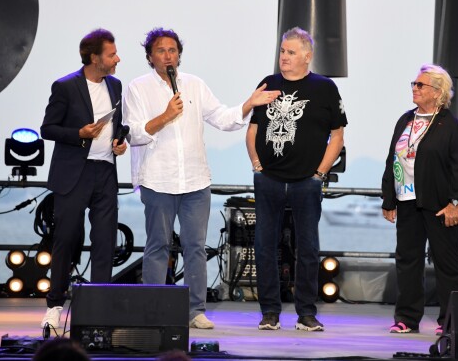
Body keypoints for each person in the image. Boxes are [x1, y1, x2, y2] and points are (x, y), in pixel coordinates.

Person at [122, 27, 279, 330]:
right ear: (149, 57)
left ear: (179, 54)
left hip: (195, 180)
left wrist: (248, 103)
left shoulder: (194, 85)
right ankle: (153, 309)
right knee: (157, 246)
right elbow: (135, 134)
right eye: (160, 51)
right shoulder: (138, 87)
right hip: (158, 180)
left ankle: (196, 310)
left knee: (196, 246)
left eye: (172, 50)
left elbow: (221, 117)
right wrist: (166, 116)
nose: (167, 56)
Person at [246, 27, 347, 332]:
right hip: (269, 180)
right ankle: (269, 313)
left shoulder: (324, 87)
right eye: (282, 51)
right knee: (264, 246)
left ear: (307, 55)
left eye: (291, 52)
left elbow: (337, 135)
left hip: (306, 181)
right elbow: (252, 129)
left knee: (308, 247)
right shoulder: (268, 83)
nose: (284, 57)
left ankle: (306, 313)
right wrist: (256, 164)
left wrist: (320, 173)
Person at [40, 28, 126, 329]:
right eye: (111, 54)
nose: (117, 59)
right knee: (65, 239)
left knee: (104, 241)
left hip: (105, 171)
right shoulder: (65, 87)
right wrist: (78, 134)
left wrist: (119, 142)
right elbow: (47, 129)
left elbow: (119, 125)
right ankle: (54, 305)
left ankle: (98, 309)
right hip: (74, 173)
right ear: (94, 58)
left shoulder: (115, 85)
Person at [381, 63, 458, 335]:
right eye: (414, 84)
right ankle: (406, 318)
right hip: (407, 200)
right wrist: (388, 199)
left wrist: (455, 203)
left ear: (438, 92)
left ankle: (452, 322)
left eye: (421, 85)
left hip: (440, 205)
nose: (415, 89)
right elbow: (392, 159)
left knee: (447, 264)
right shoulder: (405, 119)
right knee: (408, 261)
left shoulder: (450, 125)